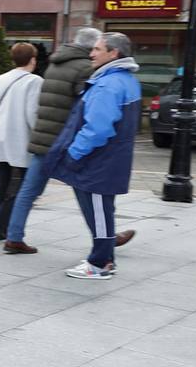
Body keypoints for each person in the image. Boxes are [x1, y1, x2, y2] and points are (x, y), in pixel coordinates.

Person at [3, 28, 110, 254]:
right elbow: (86, 106)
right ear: (90, 47)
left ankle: (13, 236)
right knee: (84, 189)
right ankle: (105, 238)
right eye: (98, 46)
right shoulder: (84, 68)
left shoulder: (56, 62)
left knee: (29, 191)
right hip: (65, 140)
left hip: (44, 137)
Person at [47, 32, 142, 279]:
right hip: (109, 159)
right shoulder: (124, 79)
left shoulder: (108, 84)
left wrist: (74, 153)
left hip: (99, 161)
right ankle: (104, 259)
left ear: (114, 53)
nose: (91, 53)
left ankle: (101, 264)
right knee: (101, 211)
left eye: (98, 49)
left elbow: (98, 128)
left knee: (99, 212)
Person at [0, 43, 42, 241]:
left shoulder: (1, 78)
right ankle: (1, 219)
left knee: (2, 179)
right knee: (28, 185)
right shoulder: (34, 81)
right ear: (33, 59)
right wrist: (39, 134)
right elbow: (32, 113)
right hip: (18, 137)